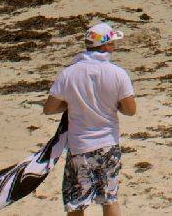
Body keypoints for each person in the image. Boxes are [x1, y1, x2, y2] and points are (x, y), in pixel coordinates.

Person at [44, 22, 136, 216]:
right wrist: (115, 105)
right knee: (109, 199)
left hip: (80, 146)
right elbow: (130, 110)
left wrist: (71, 104)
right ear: (105, 46)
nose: (114, 46)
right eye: (112, 43)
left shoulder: (69, 73)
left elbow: (49, 109)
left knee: (76, 203)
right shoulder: (118, 73)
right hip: (108, 144)